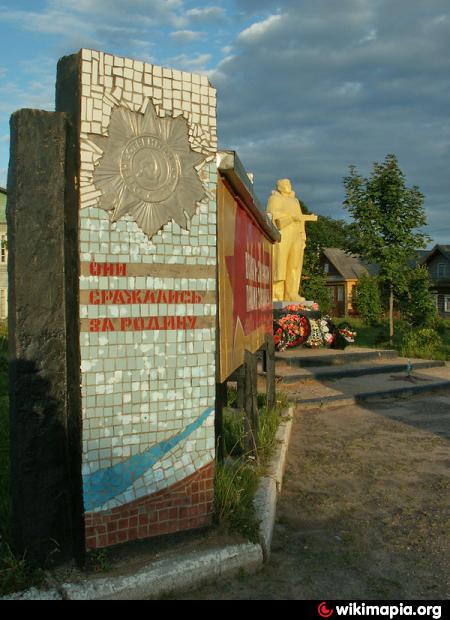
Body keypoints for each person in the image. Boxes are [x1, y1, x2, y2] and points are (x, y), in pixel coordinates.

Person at [267, 178, 317, 301]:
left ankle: (292, 293)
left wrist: (303, 236)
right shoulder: (274, 199)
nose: (288, 186)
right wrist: (290, 217)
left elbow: (301, 220)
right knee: (280, 265)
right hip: (282, 235)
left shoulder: (295, 201)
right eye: (285, 184)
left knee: (294, 265)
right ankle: (276, 294)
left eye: (289, 183)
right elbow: (271, 215)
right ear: (279, 187)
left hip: (296, 236)